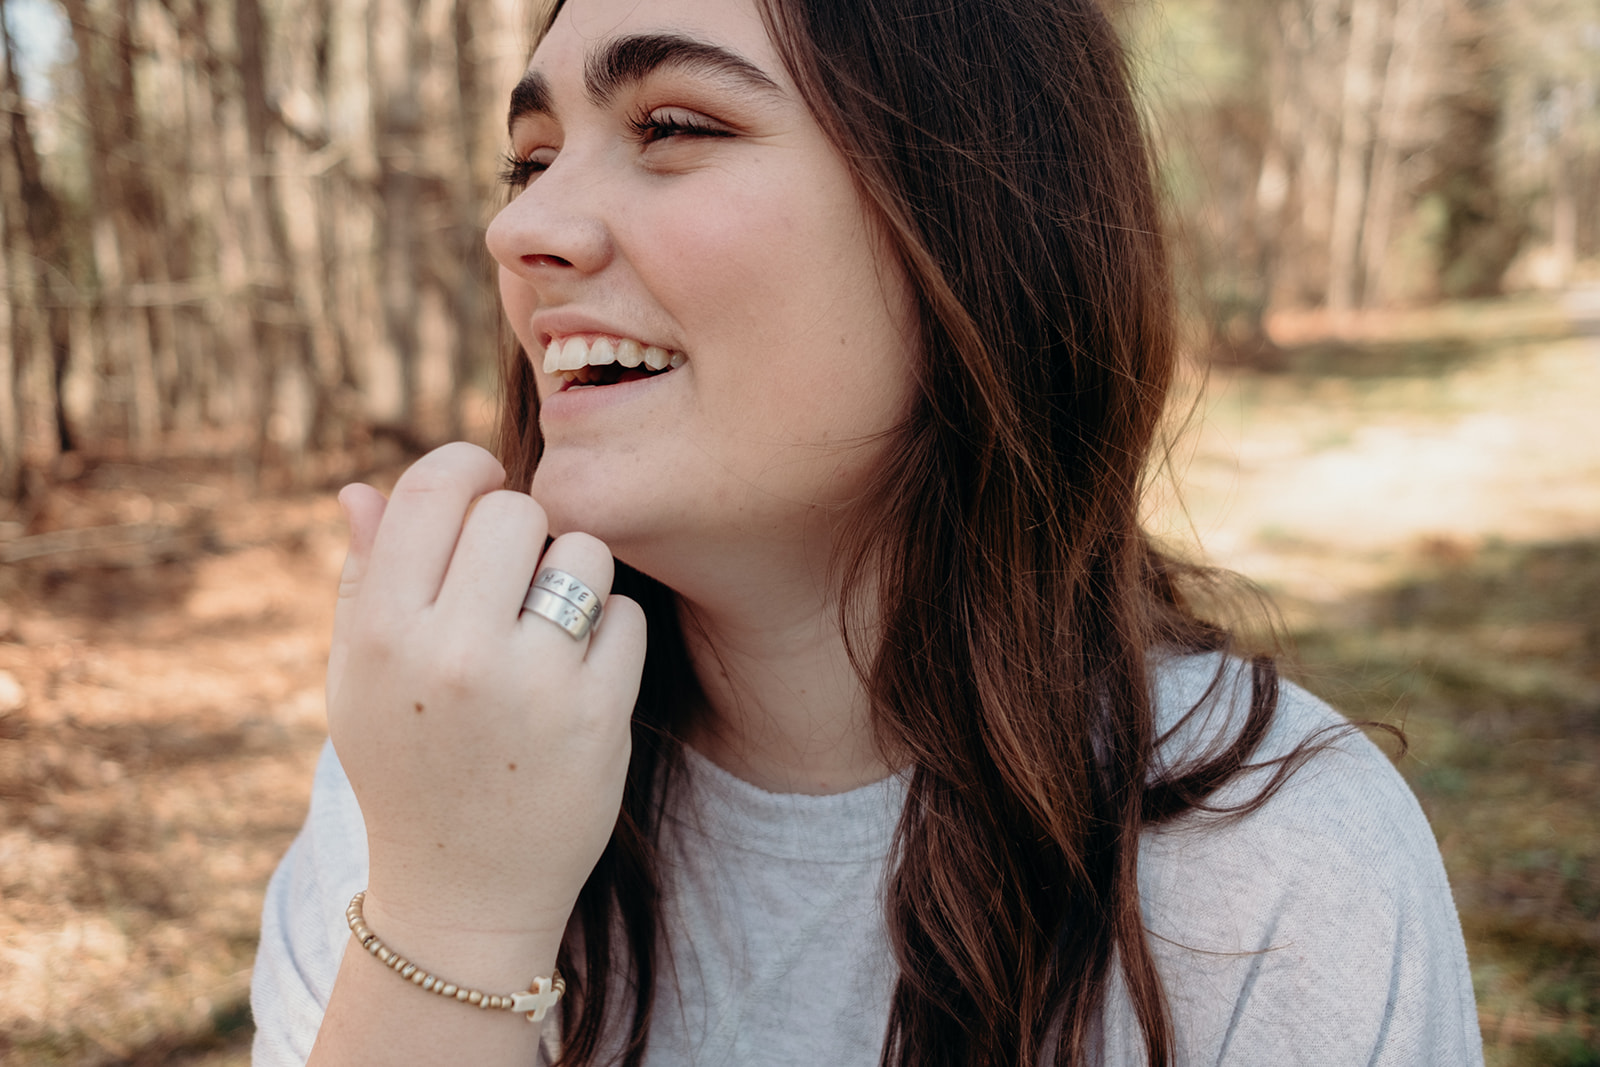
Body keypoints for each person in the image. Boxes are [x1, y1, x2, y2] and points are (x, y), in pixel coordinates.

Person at [250, 0, 1485, 1063]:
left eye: (673, 128)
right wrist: (451, 910)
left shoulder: (1273, 870)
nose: (518, 233)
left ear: (975, 220)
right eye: (530, 159)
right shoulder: (431, 768)